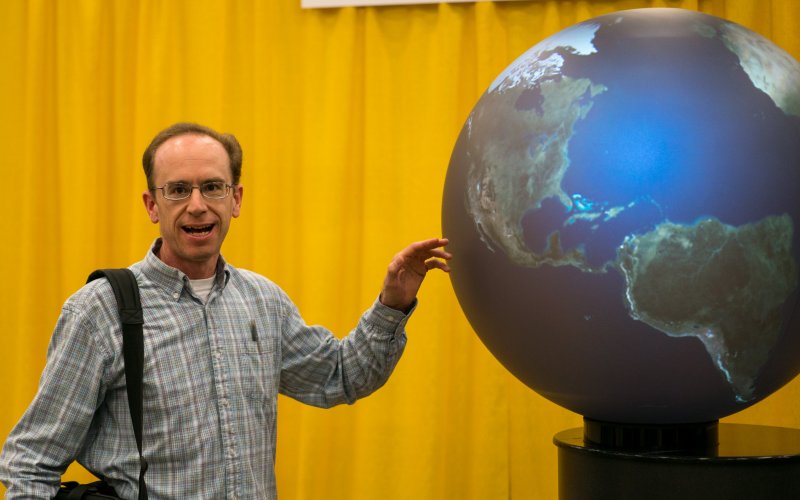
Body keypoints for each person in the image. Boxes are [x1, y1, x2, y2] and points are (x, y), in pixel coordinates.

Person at [0, 122, 451, 499]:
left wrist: (393, 302)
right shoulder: (100, 312)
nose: (197, 204)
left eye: (212, 187)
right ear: (152, 205)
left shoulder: (263, 301)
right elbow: (29, 464)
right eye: (178, 190)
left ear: (235, 199)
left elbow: (341, 375)